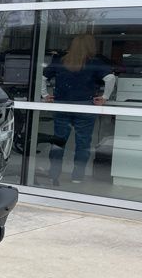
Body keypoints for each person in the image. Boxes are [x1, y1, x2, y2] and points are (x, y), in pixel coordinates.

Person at [41, 34, 116, 185]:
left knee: (58, 142)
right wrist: (104, 97)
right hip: (84, 106)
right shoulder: (94, 62)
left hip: (62, 105)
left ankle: (53, 174)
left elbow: (42, 77)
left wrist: (44, 95)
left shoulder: (60, 61)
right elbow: (110, 78)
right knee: (83, 144)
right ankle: (77, 177)